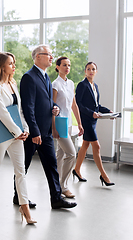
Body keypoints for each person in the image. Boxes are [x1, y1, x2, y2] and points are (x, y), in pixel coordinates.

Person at [14, 45, 77, 209]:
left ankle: (56, 198)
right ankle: (18, 196)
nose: (51, 57)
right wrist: (34, 131)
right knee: (24, 165)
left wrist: (54, 107)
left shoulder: (46, 77)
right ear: (37, 57)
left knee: (52, 166)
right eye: (48, 55)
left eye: (51, 55)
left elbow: (47, 101)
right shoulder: (29, 77)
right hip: (33, 133)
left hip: (46, 132)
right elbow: (28, 107)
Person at [0, 52, 36, 224]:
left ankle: (25, 208)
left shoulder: (13, 84)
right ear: (1, 66)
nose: (14, 66)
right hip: (2, 134)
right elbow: (2, 113)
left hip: (18, 135)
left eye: (14, 63)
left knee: (20, 171)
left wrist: (25, 129)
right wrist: (16, 131)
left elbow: (19, 111)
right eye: (10, 63)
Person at [74, 62, 115, 186]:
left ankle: (76, 170)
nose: (91, 71)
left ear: (96, 71)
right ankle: (103, 175)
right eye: (88, 69)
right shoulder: (82, 85)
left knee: (85, 145)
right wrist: (91, 113)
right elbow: (78, 104)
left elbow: (97, 105)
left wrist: (108, 112)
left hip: (93, 120)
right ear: (85, 71)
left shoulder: (95, 86)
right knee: (96, 146)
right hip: (86, 120)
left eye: (93, 69)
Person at [52, 57, 84, 198]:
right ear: (58, 67)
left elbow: (74, 105)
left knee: (60, 154)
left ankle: (56, 184)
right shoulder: (55, 84)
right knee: (71, 154)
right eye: (64, 65)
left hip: (69, 123)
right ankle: (64, 186)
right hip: (59, 123)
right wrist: (53, 127)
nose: (67, 67)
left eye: (69, 65)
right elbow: (51, 107)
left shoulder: (71, 83)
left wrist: (80, 123)